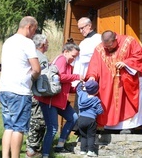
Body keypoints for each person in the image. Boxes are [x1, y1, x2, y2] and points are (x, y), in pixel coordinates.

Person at [0, 16, 41, 158]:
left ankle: (5, 156)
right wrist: (33, 79)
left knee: (8, 127)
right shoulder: (27, 43)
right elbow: (36, 69)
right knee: (19, 128)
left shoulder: (8, 41)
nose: (34, 33)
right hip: (20, 90)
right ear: (29, 27)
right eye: (34, 30)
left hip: (5, 88)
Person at [35, 40, 83, 158]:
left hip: (59, 101)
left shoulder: (67, 63)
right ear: (66, 52)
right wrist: (77, 77)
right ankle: (45, 154)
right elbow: (60, 77)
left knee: (73, 118)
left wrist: (78, 88)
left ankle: (60, 146)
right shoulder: (62, 59)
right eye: (73, 56)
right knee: (52, 128)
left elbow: (64, 85)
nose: (74, 59)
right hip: (50, 101)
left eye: (76, 57)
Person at [85, 30, 142, 131]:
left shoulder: (129, 41)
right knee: (107, 104)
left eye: (110, 46)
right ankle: (110, 126)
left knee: (125, 104)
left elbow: (139, 56)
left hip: (125, 81)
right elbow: (94, 64)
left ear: (115, 39)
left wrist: (126, 63)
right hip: (107, 84)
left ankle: (127, 126)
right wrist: (92, 76)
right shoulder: (99, 48)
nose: (108, 48)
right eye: (106, 46)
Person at [71, 17, 101, 153]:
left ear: (89, 26)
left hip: (94, 75)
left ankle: (95, 129)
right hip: (83, 76)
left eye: (82, 28)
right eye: (79, 29)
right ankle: (80, 132)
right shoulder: (84, 42)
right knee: (81, 102)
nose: (81, 31)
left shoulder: (98, 38)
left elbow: (96, 55)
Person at [26, 34, 49, 157]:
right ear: (43, 44)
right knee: (38, 121)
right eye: (47, 43)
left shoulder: (28, 54)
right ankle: (32, 149)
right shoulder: (41, 57)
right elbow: (43, 76)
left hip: (26, 92)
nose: (48, 46)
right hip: (37, 94)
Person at [76, 80, 103, 157]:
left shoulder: (81, 95)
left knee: (83, 135)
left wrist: (81, 83)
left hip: (81, 119)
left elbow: (78, 89)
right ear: (97, 91)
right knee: (91, 136)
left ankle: (82, 150)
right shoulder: (96, 100)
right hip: (91, 120)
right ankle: (90, 151)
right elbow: (100, 111)